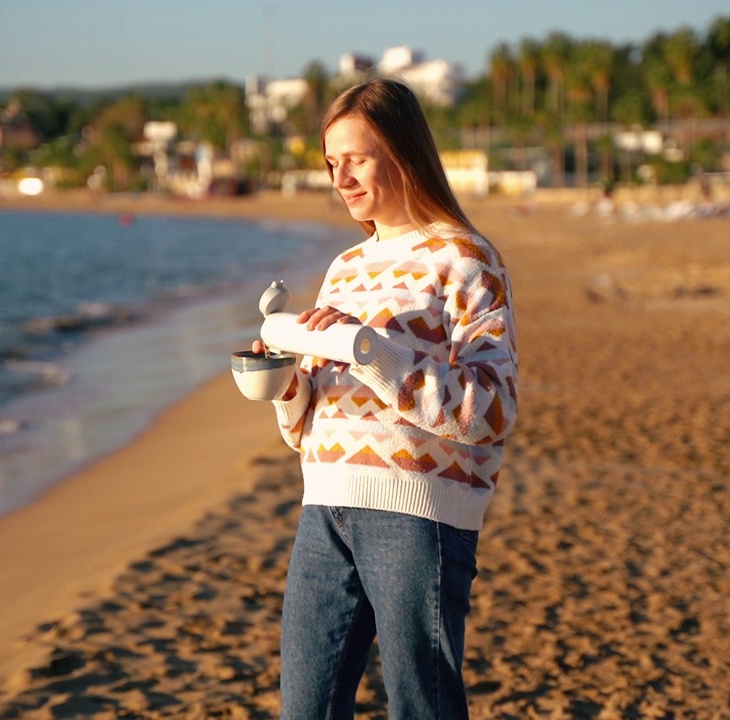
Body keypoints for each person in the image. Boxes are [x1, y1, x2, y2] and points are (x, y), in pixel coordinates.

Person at [250, 78, 518, 719]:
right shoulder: (344, 267)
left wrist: (371, 350)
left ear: (402, 152)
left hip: (419, 516)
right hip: (325, 508)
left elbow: (492, 410)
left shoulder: (466, 259)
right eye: (331, 162)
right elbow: (308, 423)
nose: (341, 178)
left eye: (357, 158)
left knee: (421, 709)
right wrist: (286, 384)